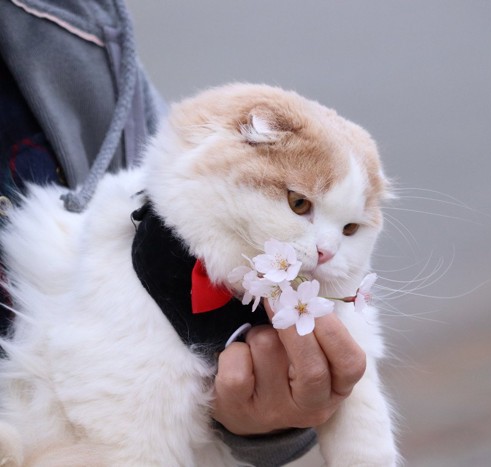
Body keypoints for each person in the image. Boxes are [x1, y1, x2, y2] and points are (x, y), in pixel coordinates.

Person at [0, 1, 366, 465]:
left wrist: (258, 421)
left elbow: (173, 232)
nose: (326, 248)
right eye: (299, 204)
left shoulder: (75, 17)